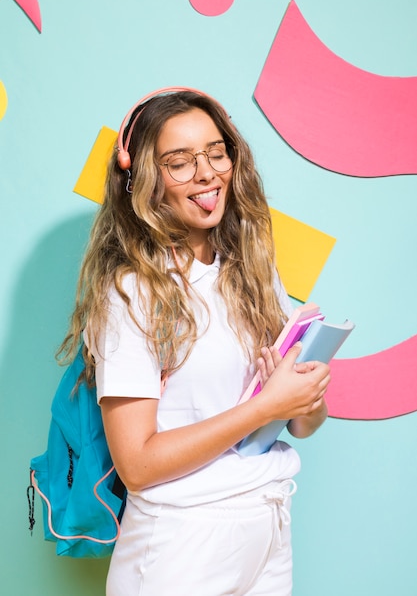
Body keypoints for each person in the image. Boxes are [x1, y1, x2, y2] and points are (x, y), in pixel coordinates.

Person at [59, 87, 330, 595]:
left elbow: (301, 423)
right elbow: (137, 465)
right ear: (142, 178)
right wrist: (263, 406)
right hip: (181, 545)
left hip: (266, 526)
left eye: (215, 153)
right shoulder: (131, 292)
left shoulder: (252, 271)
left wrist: (305, 397)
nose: (206, 173)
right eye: (179, 162)